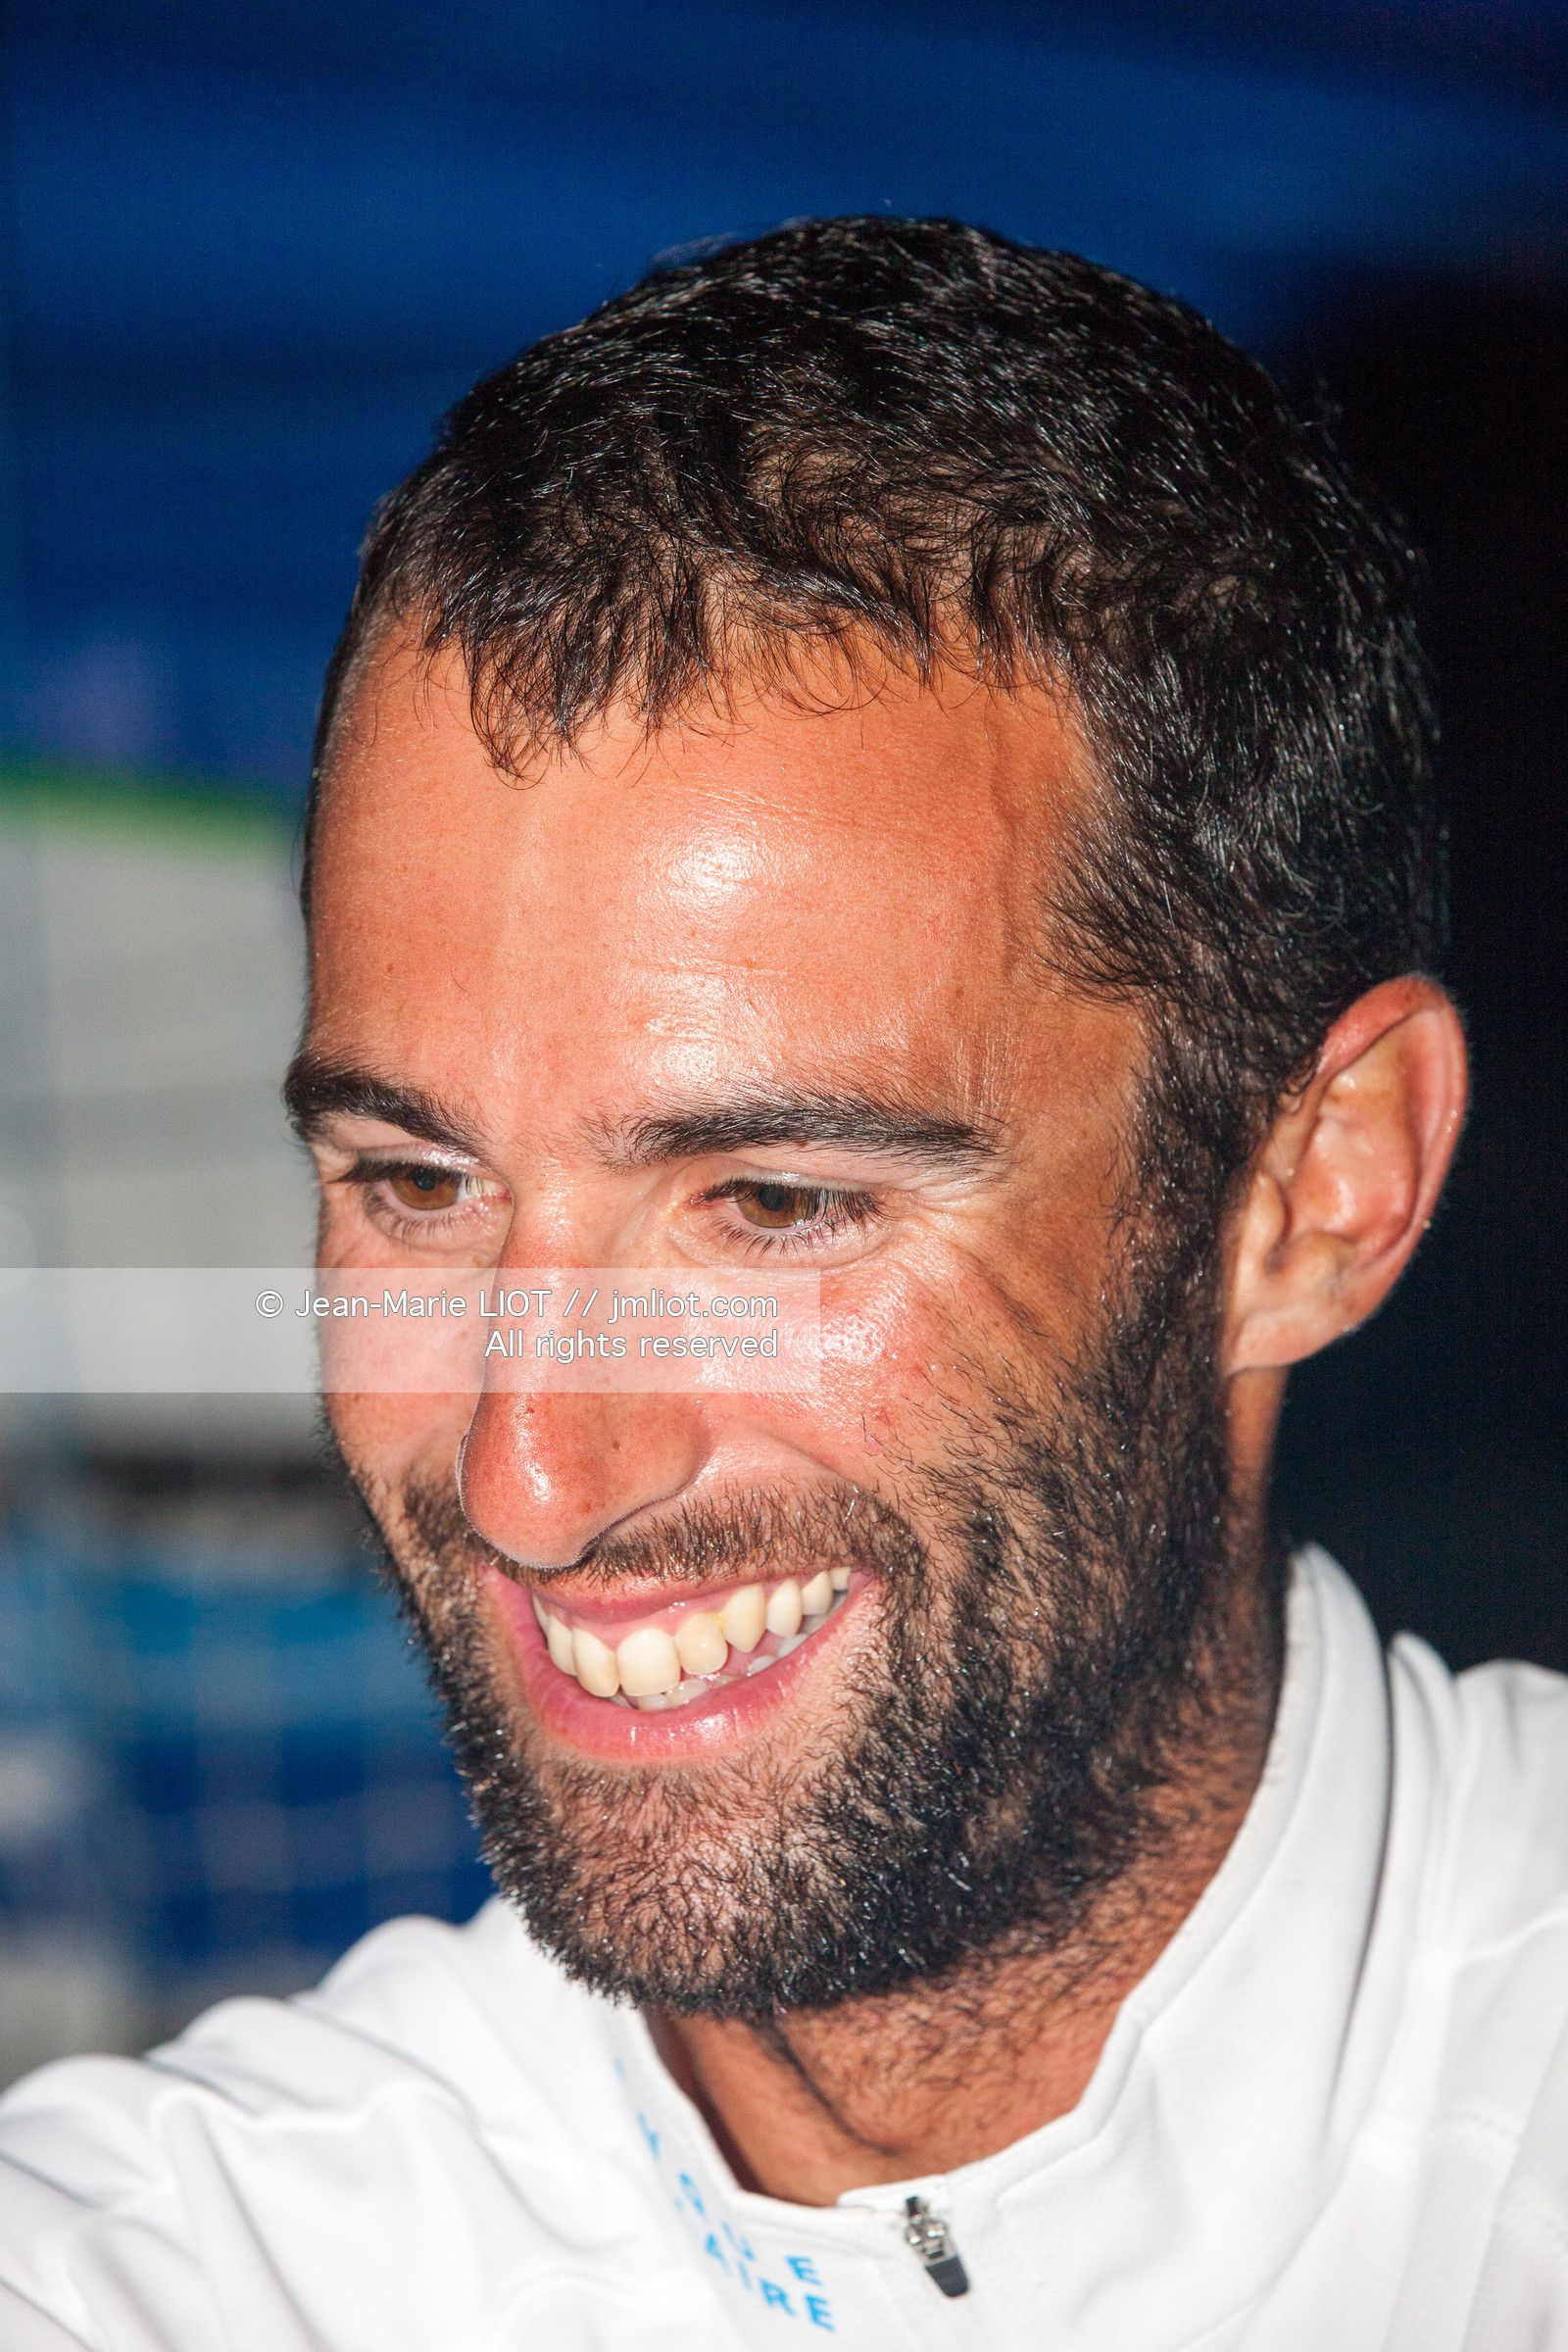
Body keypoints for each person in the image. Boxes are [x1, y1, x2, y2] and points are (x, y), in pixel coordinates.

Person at [0, 216, 1562, 2351]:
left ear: (1317, 1188)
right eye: (418, 1181)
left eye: (770, 1204)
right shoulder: (161, 2276)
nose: (529, 1477)